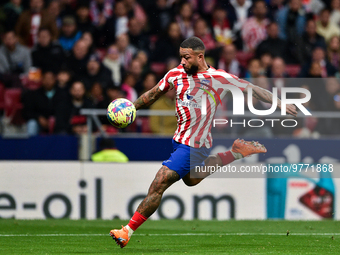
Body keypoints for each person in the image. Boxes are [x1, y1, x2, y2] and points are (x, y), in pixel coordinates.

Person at [109, 36, 297, 248]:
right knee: (191, 179)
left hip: (195, 145)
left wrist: (279, 103)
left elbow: (252, 88)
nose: (182, 62)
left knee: (159, 182)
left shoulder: (218, 77)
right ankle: (235, 153)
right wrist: (131, 109)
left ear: (200, 56)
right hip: (179, 141)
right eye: (181, 57)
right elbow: (153, 94)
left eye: (186, 58)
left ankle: (127, 231)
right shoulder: (175, 74)